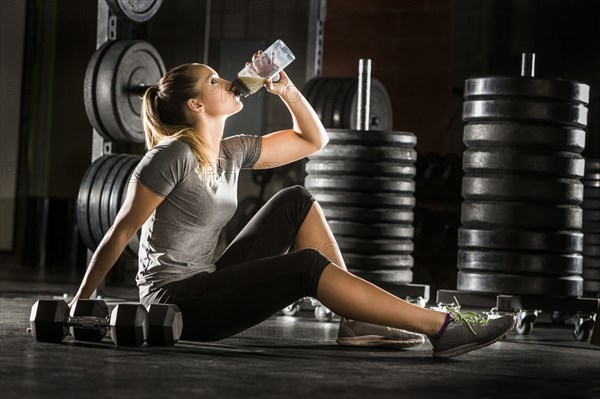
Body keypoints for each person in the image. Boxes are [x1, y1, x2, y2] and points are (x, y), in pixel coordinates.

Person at [69, 50, 515, 358]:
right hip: (175, 302)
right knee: (304, 267)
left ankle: (357, 323)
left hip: (209, 281)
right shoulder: (170, 157)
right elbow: (121, 231)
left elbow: (313, 140)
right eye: (214, 81)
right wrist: (82, 303)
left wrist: (283, 89)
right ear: (195, 103)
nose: (228, 82)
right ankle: (439, 326)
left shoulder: (229, 151)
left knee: (295, 200)